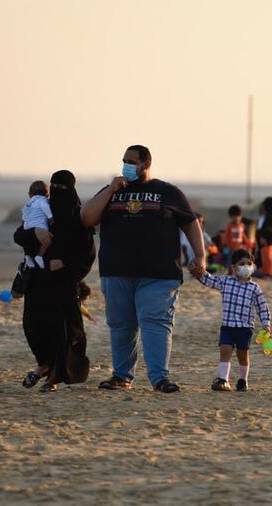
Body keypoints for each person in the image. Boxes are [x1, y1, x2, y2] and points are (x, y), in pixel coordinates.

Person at [80, 145, 204, 393]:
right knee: (121, 325)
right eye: (124, 161)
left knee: (155, 324)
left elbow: (190, 223)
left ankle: (160, 378)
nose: (126, 165)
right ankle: (121, 376)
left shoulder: (167, 192)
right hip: (116, 271)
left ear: (146, 164)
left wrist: (200, 255)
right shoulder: (112, 190)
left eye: (131, 161)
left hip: (159, 274)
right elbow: (87, 218)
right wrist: (110, 190)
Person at [15, 170, 96, 392]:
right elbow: (19, 235)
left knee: (62, 331)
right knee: (33, 327)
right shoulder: (41, 210)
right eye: (54, 187)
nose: (57, 192)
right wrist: (36, 233)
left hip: (63, 285)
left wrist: (65, 263)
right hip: (37, 282)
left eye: (62, 188)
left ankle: (53, 378)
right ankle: (44, 365)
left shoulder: (78, 217)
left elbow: (87, 254)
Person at [192, 249, 271, 392]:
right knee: (225, 351)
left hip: (245, 328)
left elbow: (262, 307)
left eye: (249, 264)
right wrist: (199, 273)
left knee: (242, 354)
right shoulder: (226, 281)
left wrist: (266, 325)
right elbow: (210, 280)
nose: (246, 267)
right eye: (242, 264)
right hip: (227, 326)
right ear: (233, 267)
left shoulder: (255, 288)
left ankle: (243, 380)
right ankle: (223, 379)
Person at [21, 180, 54, 269]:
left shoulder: (29, 203)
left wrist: (25, 223)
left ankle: (28, 255)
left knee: (27, 242)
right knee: (47, 240)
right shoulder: (43, 200)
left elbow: (25, 213)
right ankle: (39, 256)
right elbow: (45, 208)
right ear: (47, 194)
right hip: (40, 226)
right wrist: (51, 218)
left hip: (27, 225)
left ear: (30, 194)